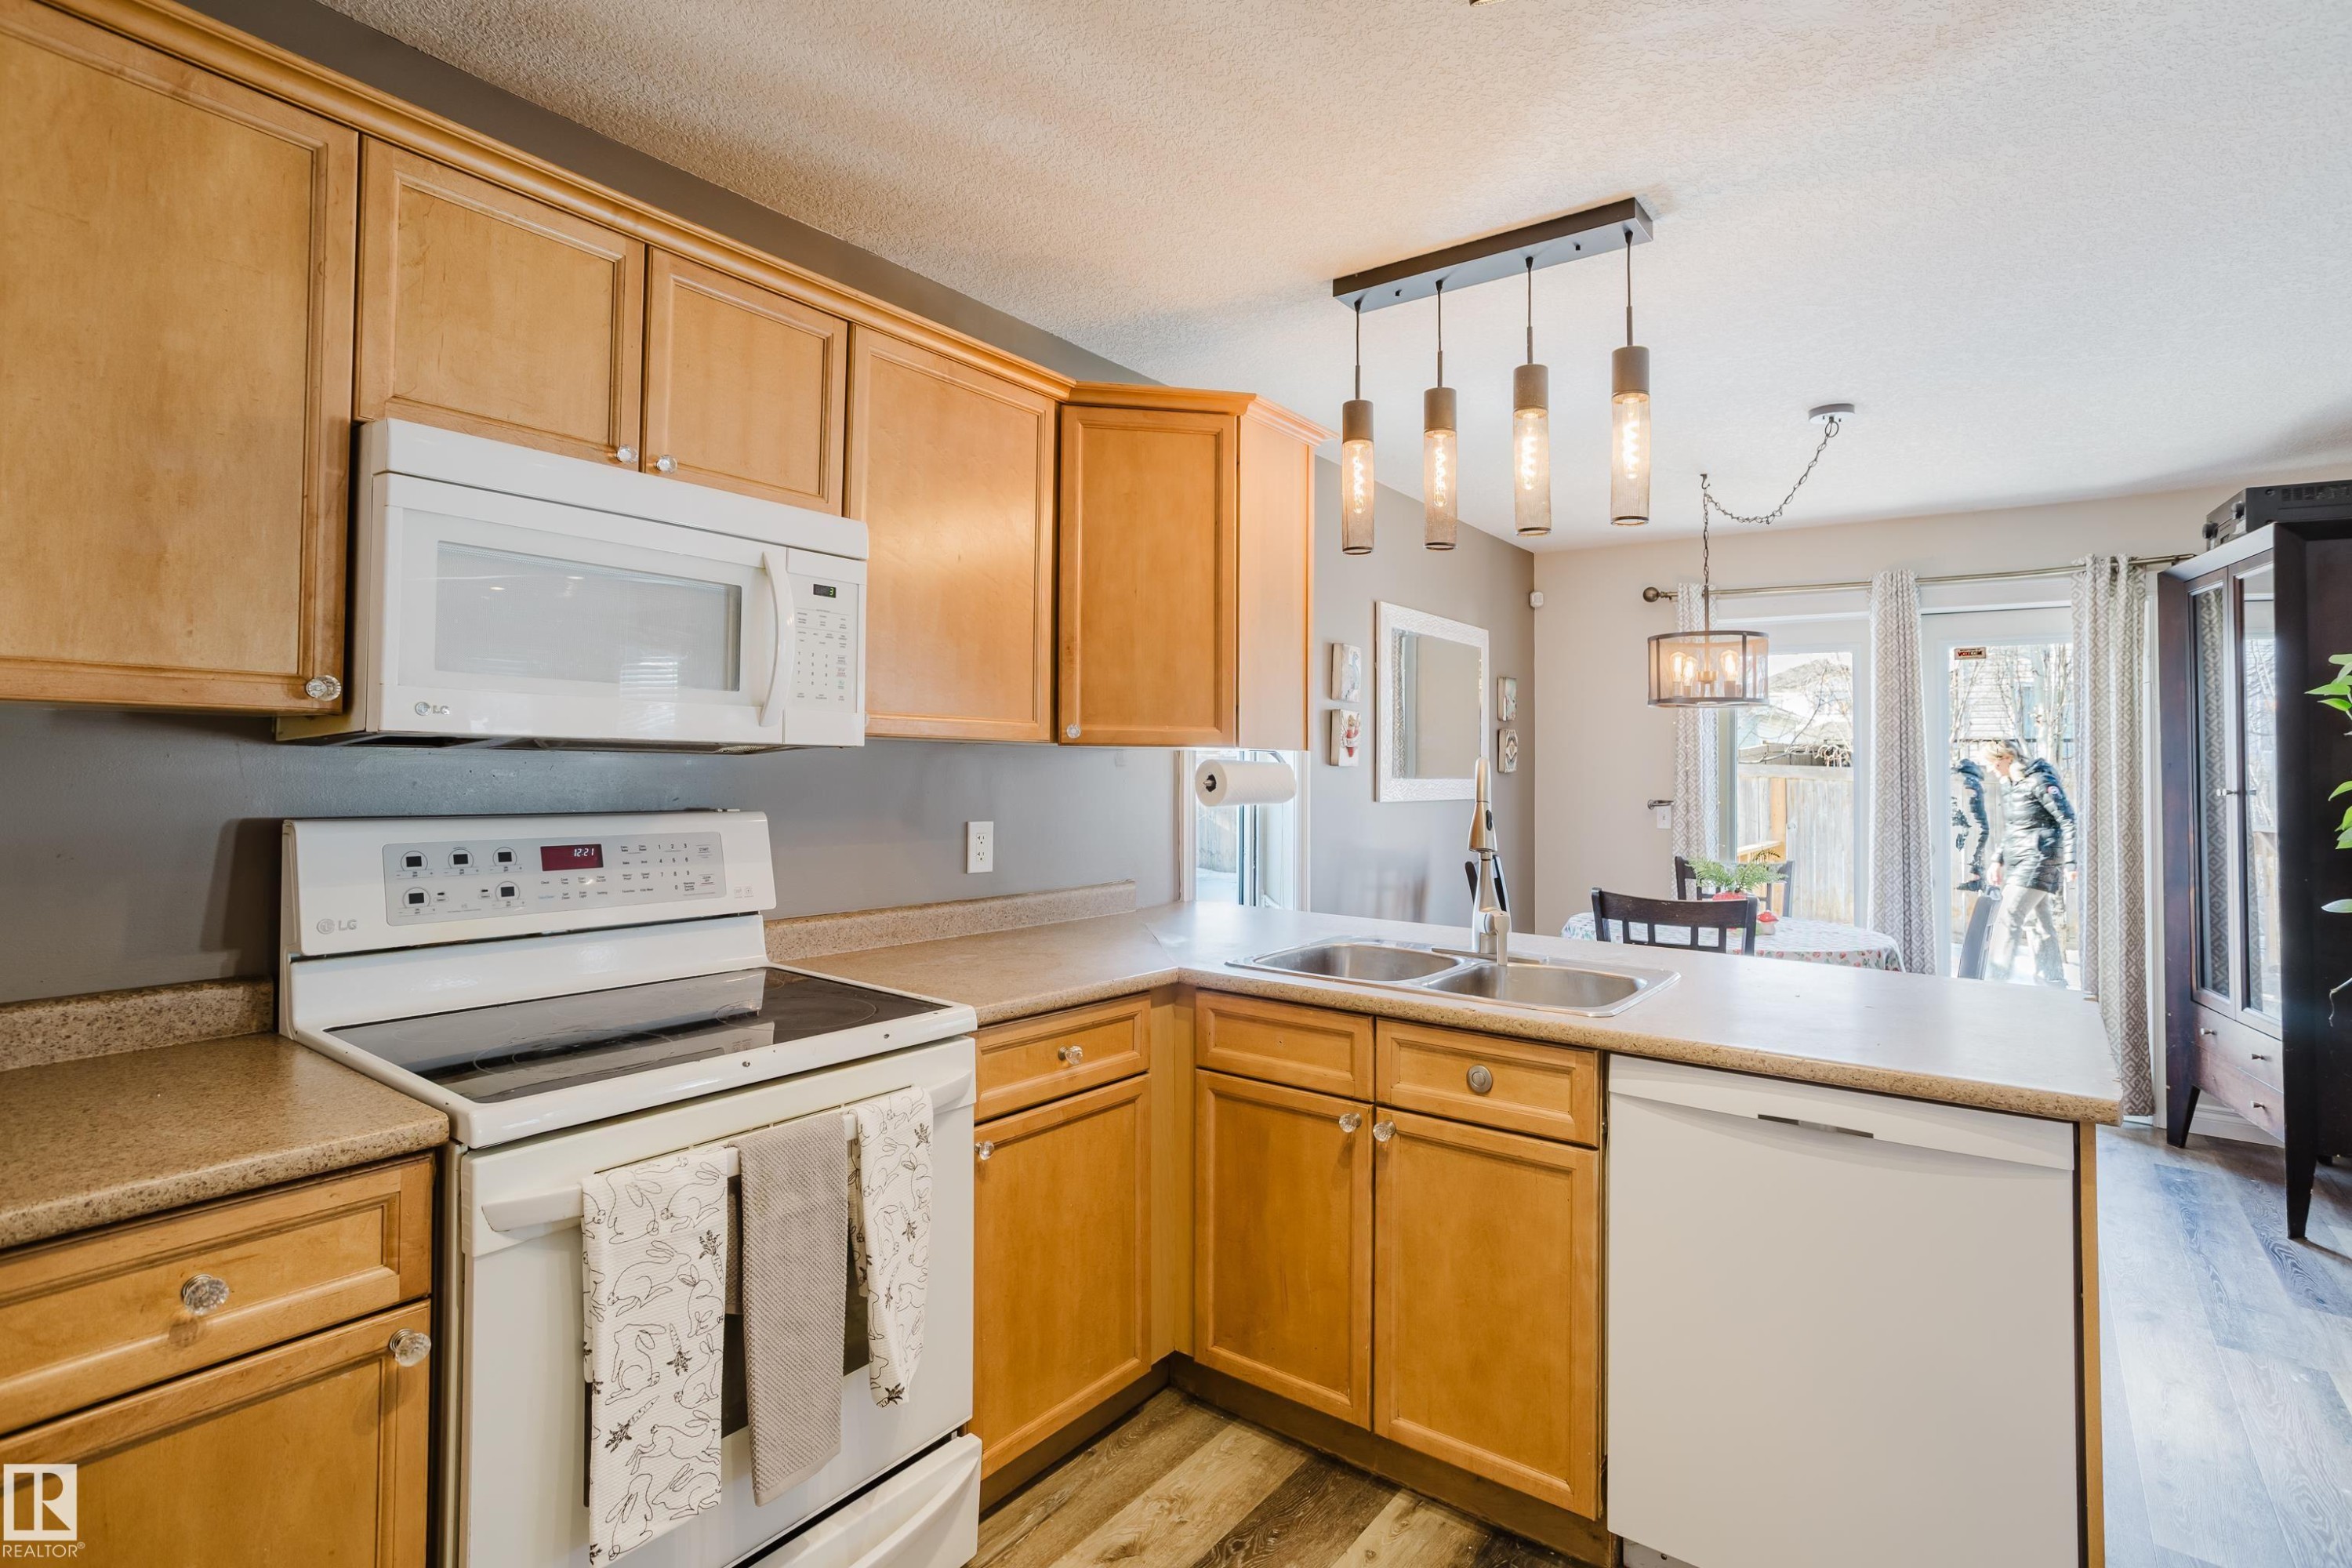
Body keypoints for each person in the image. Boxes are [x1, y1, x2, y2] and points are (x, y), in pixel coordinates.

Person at [1986, 741, 2076, 986]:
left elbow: (2067, 819)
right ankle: (2052, 981)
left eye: (1993, 763)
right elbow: (2015, 829)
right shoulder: (2014, 786)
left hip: (2040, 859)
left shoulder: (2039, 780)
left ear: (2005, 757)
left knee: (2008, 915)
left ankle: (1996, 981)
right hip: (2023, 861)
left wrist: (2071, 861)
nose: (1992, 770)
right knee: (2040, 921)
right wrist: (1997, 859)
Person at [1951, 757, 1989, 891]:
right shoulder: (1973, 783)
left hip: (1962, 835)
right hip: (1971, 833)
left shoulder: (1958, 782)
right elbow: (1979, 825)